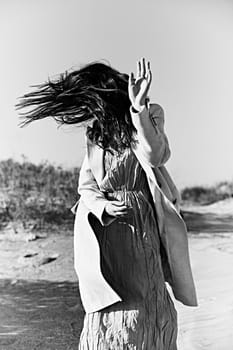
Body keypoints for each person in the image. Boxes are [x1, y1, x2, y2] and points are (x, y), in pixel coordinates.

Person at [17, 58, 198, 349]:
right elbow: (85, 186)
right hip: (107, 227)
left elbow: (156, 156)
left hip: (139, 220)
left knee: (143, 294)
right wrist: (102, 206)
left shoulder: (149, 114)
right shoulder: (96, 132)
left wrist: (137, 108)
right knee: (109, 301)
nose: (88, 109)